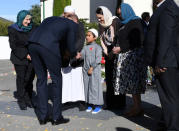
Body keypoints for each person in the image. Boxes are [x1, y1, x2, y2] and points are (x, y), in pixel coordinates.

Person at [26, 16, 78, 125]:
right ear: (75, 21)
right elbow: (71, 47)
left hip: (32, 44)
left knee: (41, 80)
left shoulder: (50, 19)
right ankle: (56, 117)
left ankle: (43, 117)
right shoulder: (72, 24)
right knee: (57, 80)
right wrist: (74, 54)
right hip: (48, 47)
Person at [144, 0, 179, 130]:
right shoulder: (165, 6)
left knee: (170, 97)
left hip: (166, 61)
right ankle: (168, 122)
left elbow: (166, 36)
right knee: (169, 96)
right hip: (167, 59)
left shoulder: (167, 7)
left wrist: (160, 61)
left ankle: (173, 127)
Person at [114, 3, 147, 117]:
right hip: (128, 56)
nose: (120, 15)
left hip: (133, 56)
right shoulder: (127, 22)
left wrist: (121, 48)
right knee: (132, 84)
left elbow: (138, 41)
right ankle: (137, 106)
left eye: (121, 13)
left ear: (126, 11)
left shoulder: (135, 22)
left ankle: (137, 107)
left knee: (134, 83)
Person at [96, 6, 126, 109]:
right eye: (98, 18)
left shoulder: (115, 21)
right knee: (109, 79)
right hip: (107, 53)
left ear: (106, 14)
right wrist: (106, 52)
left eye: (100, 17)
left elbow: (119, 38)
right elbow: (101, 39)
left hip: (117, 52)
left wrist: (113, 52)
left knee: (117, 78)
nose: (99, 20)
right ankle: (110, 103)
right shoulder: (101, 25)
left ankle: (120, 103)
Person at [8, 10, 36, 110]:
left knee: (30, 78)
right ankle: (21, 99)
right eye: (26, 19)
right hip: (19, 58)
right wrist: (25, 55)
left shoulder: (33, 27)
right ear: (21, 18)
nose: (28, 22)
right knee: (21, 79)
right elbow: (13, 45)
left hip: (32, 57)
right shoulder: (13, 29)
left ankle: (28, 98)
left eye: (30, 19)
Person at [62, 14, 86, 111]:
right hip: (65, 58)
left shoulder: (79, 27)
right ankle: (66, 100)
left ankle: (80, 101)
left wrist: (73, 52)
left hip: (76, 57)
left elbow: (81, 40)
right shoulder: (65, 28)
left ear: (75, 20)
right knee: (66, 80)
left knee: (77, 81)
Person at [76, 28, 104, 114]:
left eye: (89, 35)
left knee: (95, 88)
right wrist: (79, 56)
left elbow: (98, 59)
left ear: (95, 37)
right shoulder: (85, 47)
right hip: (86, 71)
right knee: (87, 87)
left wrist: (92, 68)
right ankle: (90, 104)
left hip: (94, 71)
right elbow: (82, 56)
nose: (87, 37)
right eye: (86, 35)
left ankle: (98, 106)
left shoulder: (97, 47)